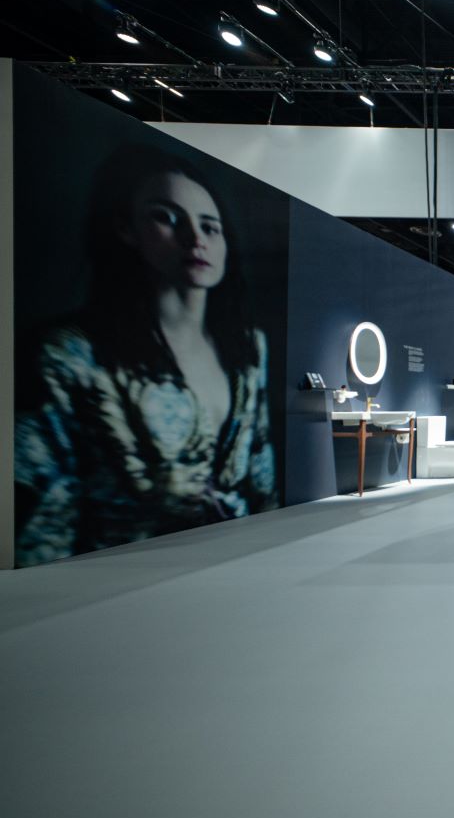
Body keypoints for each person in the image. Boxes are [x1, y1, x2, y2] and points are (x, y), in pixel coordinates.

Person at [14, 145, 277, 567]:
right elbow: (46, 512)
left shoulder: (247, 348)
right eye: (167, 218)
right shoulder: (72, 354)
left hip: (233, 562)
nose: (195, 238)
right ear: (126, 229)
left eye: (210, 226)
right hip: (124, 574)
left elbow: (261, 473)